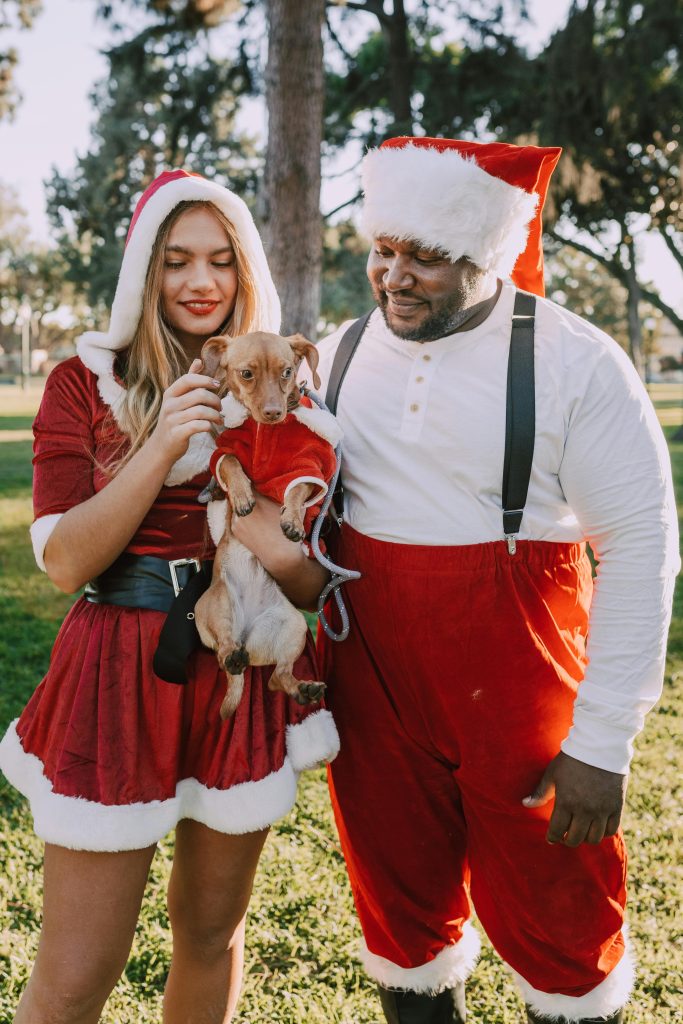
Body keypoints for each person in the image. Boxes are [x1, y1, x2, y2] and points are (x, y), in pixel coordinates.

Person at [314, 138, 679, 1024]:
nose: (394, 278)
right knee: (400, 913)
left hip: (520, 687)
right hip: (372, 690)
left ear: (486, 253)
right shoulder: (335, 354)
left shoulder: (577, 362)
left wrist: (602, 744)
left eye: (425, 259)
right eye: (383, 252)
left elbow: (639, 545)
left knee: (559, 919)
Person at [0, 168, 339, 1024]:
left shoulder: (278, 398)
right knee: (78, 974)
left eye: (220, 261)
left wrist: (253, 506)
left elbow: (306, 579)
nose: (199, 282)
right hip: (119, 666)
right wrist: (162, 445)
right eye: (176, 260)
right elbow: (66, 563)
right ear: (144, 274)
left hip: (236, 662)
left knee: (210, 936)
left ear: (244, 269)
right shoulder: (86, 383)